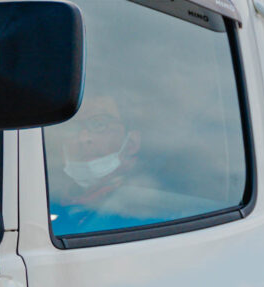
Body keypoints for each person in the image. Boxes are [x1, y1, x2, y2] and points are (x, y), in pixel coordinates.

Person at [47, 95, 204, 237]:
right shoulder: (47, 204)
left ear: (131, 143)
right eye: (72, 128)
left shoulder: (152, 210)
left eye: (100, 124)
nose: (83, 139)